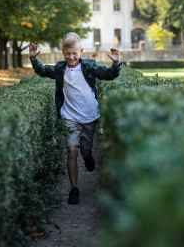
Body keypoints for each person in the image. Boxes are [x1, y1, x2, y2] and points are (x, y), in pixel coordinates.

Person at [29, 32, 121, 205]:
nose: (71, 57)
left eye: (75, 53)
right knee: (72, 150)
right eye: (68, 53)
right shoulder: (60, 68)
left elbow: (109, 75)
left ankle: (88, 157)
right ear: (63, 52)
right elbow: (42, 70)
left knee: (84, 151)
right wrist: (34, 58)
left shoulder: (89, 66)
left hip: (89, 116)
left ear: (81, 51)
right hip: (70, 116)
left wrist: (116, 63)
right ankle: (74, 189)